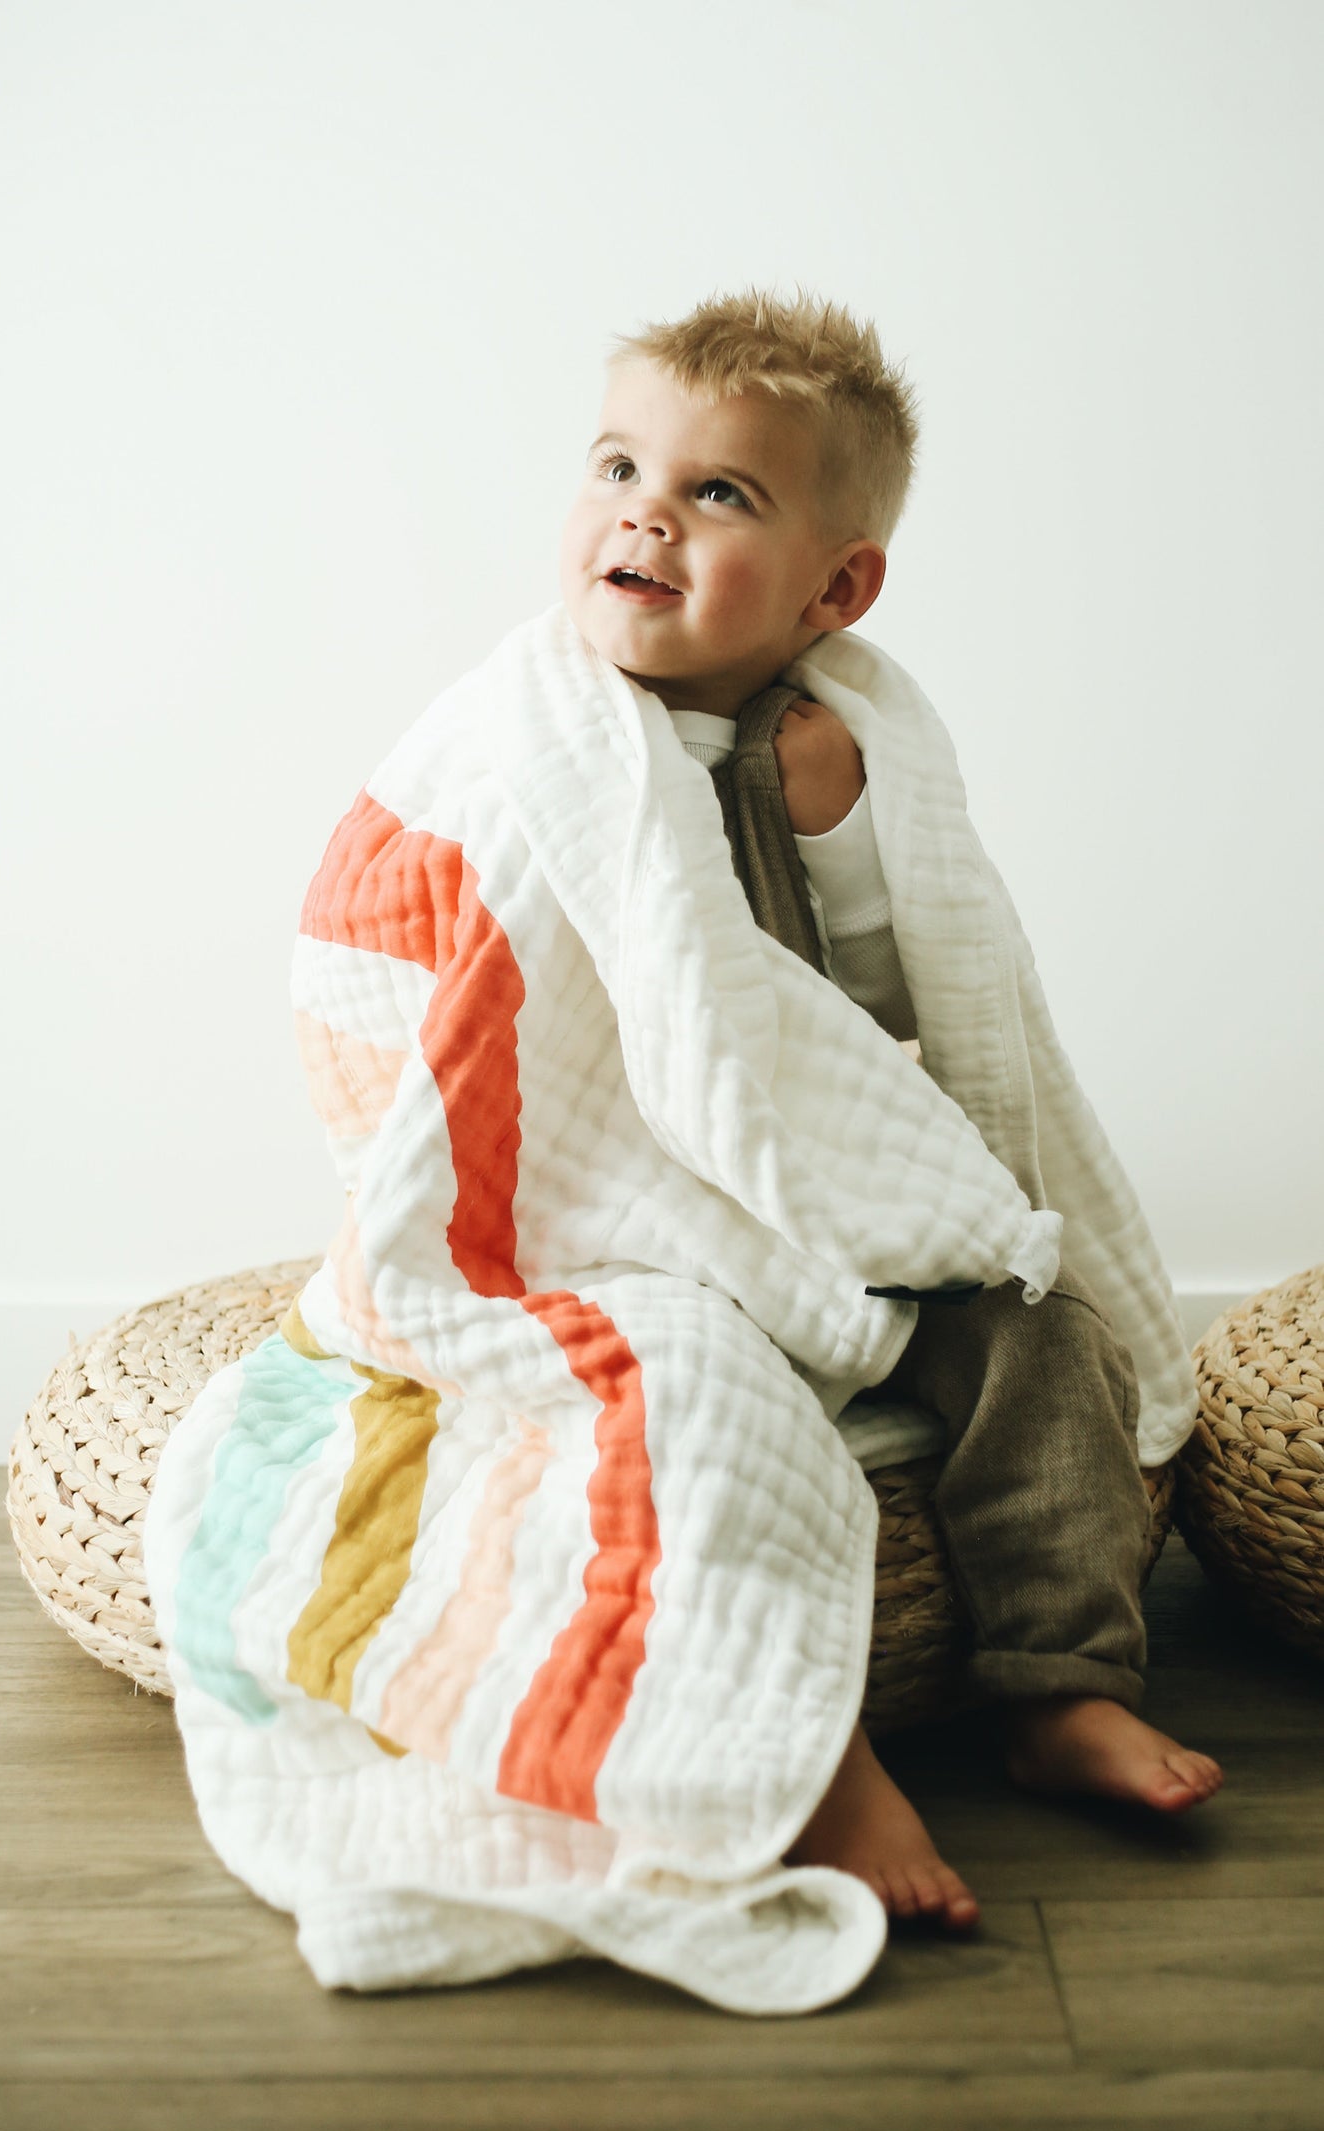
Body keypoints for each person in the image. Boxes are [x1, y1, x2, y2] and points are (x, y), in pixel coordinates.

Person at [556, 286, 1223, 1934]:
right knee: (692, 1406)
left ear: (832, 586)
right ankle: (820, 1750)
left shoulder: (833, 746)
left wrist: (835, 827)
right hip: (640, 1218)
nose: (646, 507)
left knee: (1039, 1325)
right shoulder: (545, 738)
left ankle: (1060, 1684)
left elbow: (897, 994)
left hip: (822, 1198)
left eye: (720, 492)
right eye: (619, 462)